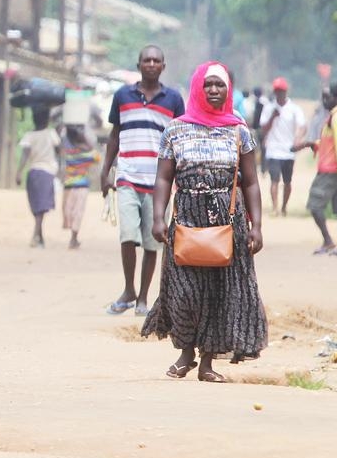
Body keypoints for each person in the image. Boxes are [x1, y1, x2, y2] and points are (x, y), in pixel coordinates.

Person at [140, 61, 267, 383]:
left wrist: (257, 225)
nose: (213, 90)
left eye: (219, 85)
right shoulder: (175, 129)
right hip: (186, 218)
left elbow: (250, 182)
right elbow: (163, 178)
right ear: (197, 88)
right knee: (185, 290)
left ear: (228, 90)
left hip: (228, 219)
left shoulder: (239, 130)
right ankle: (185, 354)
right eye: (207, 85)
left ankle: (208, 362)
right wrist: (158, 217)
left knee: (219, 292)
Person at [100, 45, 186, 316]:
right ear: (138, 65)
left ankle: (143, 298)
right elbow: (115, 135)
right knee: (127, 235)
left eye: (156, 60)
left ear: (163, 66)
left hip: (158, 182)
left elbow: (180, 139)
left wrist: (181, 176)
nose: (151, 64)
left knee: (153, 241)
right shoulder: (122, 95)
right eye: (146, 60)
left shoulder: (173, 99)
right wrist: (106, 171)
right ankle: (128, 290)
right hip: (127, 176)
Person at [301, 82, 337, 256]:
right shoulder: (333, 117)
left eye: (328, 97)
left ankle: (328, 241)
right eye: (323, 97)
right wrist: (313, 144)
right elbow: (329, 144)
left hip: (331, 171)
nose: (324, 100)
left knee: (315, 205)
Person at [258, 77, 308, 216]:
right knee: (274, 179)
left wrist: (298, 138)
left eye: (281, 91)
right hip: (273, 150)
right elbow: (263, 129)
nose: (278, 93)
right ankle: (275, 208)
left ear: (285, 91)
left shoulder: (294, 108)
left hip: (288, 151)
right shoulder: (269, 108)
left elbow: (302, 126)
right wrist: (273, 117)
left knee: (287, 181)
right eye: (276, 91)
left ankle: (284, 206)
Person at [15, 106, 61, 248]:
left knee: (37, 205)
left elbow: (24, 155)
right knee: (41, 206)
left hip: (33, 172)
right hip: (47, 172)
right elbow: (59, 149)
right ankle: (36, 235)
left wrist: (19, 172)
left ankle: (39, 237)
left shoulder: (29, 136)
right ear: (47, 120)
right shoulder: (51, 133)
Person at [61, 124, 100, 249]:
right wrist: (87, 144)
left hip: (68, 186)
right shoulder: (87, 154)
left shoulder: (68, 152)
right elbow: (97, 157)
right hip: (81, 186)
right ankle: (73, 238)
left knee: (69, 210)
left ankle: (71, 231)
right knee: (78, 211)